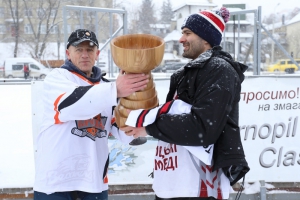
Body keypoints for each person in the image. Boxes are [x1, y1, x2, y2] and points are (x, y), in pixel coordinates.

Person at [121, 7, 250, 200]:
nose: (181, 39)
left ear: (206, 39)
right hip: (172, 182)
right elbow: (172, 118)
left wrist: (149, 127)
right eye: (182, 33)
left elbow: (204, 127)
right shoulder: (185, 74)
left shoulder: (219, 69)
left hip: (199, 185)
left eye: (187, 33)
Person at [33, 29, 149, 200]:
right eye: (79, 49)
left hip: (94, 183)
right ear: (68, 53)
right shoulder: (57, 78)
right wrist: (115, 90)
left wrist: (138, 114)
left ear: (97, 54)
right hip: (55, 182)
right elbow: (71, 104)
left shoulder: (107, 88)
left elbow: (122, 131)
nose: (85, 54)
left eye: (90, 49)